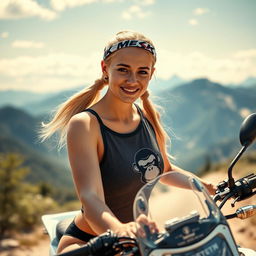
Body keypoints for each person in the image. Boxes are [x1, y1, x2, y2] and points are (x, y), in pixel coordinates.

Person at [40, 30, 216, 254]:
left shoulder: (149, 117)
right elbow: (90, 198)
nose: (133, 80)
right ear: (105, 69)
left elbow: (165, 170)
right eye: (123, 70)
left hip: (137, 239)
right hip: (91, 243)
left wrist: (206, 187)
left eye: (142, 72)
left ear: (151, 74)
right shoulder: (85, 125)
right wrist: (121, 231)